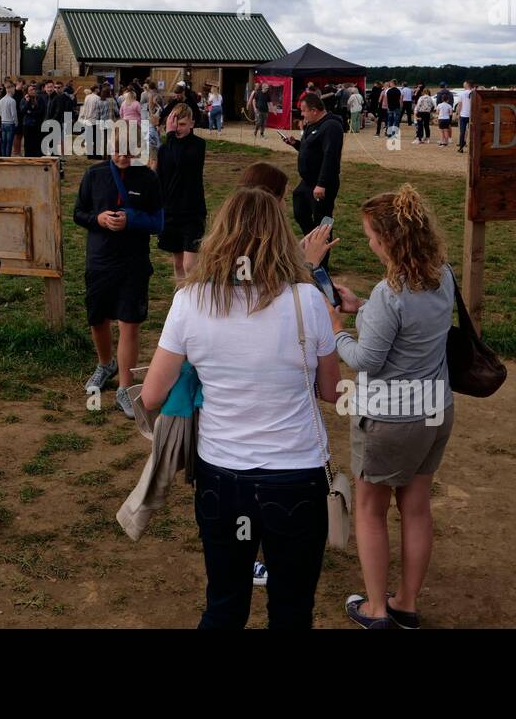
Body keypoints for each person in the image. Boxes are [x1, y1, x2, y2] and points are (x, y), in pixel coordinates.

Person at [141, 186, 340, 629]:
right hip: (297, 476)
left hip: (222, 477)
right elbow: (330, 391)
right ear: (281, 236)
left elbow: (151, 395)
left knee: (224, 605)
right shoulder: (308, 300)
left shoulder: (191, 302)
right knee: (292, 611)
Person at [310, 185, 455, 629]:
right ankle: (406, 603)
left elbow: (365, 360)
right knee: (416, 507)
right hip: (435, 408)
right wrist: (363, 308)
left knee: (371, 510)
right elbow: (404, 327)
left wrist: (337, 327)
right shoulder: (440, 273)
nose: (369, 242)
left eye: (372, 235)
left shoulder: (389, 293)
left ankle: (375, 608)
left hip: (390, 418)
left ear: (390, 239)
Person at [76, 121, 163, 418]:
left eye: (127, 151)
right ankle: (105, 364)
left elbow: (158, 222)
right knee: (98, 318)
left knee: (129, 322)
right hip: (99, 260)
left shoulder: (148, 178)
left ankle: (126, 386)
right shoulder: (94, 174)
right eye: (116, 150)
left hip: (133, 262)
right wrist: (98, 220)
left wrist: (132, 219)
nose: (122, 156)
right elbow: (79, 212)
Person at [283, 92, 343, 242]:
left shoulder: (331, 126)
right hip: (307, 181)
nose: (302, 114)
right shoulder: (312, 125)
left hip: (322, 183)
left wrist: (322, 184)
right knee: (299, 211)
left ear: (314, 110)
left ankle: (322, 260)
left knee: (322, 220)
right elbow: (309, 149)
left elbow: (330, 157)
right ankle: (312, 241)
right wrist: (295, 143)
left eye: (304, 111)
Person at [155, 103, 206, 279]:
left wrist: (170, 137)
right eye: (175, 124)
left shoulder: (198, 145)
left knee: (190, 265)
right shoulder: (164, 149)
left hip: (192, 212)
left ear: (192, 123)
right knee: (178, 263)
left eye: (183, 124)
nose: (178, 129)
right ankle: (180, 299)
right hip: (170, 212)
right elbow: (160, 177)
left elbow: (181, 162)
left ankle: (194, 301)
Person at [21, 83, 43, 158]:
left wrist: (31, 112)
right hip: (27, 125)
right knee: (28, 143)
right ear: (27, 92)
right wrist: (27, 102)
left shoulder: (39, 98)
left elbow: (41, 111)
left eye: (34, 89)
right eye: (31, 90)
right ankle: (28, 158)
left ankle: (37, 158)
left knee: (36, 143)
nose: (33, 91)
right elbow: (23, 111)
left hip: (37, 125)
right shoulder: (24, 100)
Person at [0, 82, 18, 159]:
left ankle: (3, 157)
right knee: (9, 142)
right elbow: (14, 114)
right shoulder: (12, 101)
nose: (14, 90)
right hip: (10, 123)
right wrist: (16, 123)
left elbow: (0, 113)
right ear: (11, 89)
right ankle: (7, 158)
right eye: (14, 89)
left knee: (3, 142)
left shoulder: (1, 100)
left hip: (3, 122)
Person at [455, 80, 475, 153]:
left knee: (462, 132)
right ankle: (473, 148)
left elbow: (460, 105)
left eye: (464, 83)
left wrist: (457, 113)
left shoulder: (462, 93)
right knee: (473, 132)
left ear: (467, 84)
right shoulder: (474, 93)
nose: (463, 84)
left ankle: (461, 148)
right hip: (472, 115)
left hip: (463, 115)